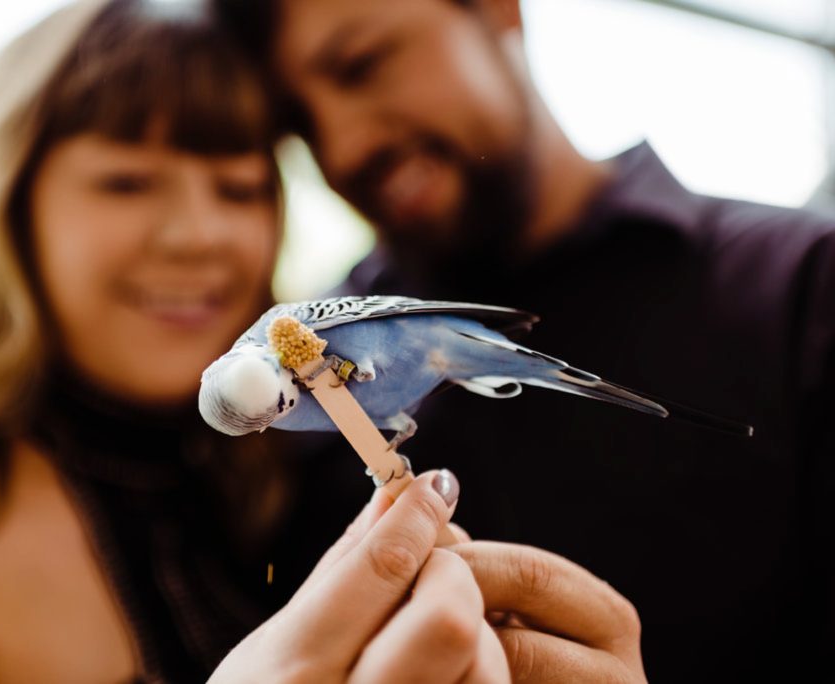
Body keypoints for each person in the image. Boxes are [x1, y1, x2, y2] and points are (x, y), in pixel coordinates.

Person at [0, 0, 645, 682]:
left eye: (240, 187)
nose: (198, 235)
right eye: (126, 181)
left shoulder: (272, 475)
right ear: (7, 210)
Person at [215, 0, 835, 681]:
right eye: (298, 125)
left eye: (364, 65)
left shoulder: (806, 286)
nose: (343, 147)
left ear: (497, 10)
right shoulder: (302, 428)